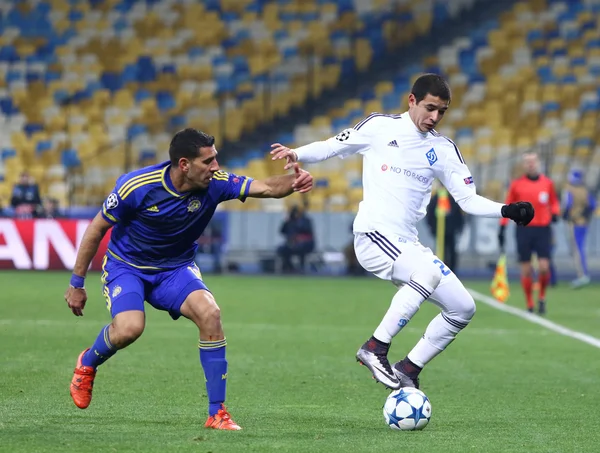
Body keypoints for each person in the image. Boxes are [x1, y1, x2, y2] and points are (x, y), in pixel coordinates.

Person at [270, 73, 534, 390]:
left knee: (463, 308)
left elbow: (466, 200)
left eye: (442, 112)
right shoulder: (380, 127)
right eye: (430, 107)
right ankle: (375, 347)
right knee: (428, 274)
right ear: (412, 100)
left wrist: (506, 210)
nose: (434, 117)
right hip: (373, 234)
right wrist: (296, 153)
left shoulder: (443, 150)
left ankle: (408, 368)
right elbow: (332, 146)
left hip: (406, 242)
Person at [64, 128, 313, 430]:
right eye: (208, 161)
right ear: (184, 164)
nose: (216, 167)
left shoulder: (216, 184)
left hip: (175, 269)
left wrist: (294, 182)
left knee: (211, 314)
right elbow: (96, 229)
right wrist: (77, 283)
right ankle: (88, 363)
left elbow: (266, 187)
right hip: (127, 267)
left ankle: (216, 413)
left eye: (215, 159)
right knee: (129, 329)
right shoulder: (137, 186)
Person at [498, 152, 559, 314]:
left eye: (533, 161)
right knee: (526, 269)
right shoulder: (517, 185)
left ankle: (542, 297)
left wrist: (555, 212)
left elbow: (554, 202)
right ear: (524, 165)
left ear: (538, 163)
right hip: (523, 229)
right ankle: (530, 303)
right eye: (527, 162)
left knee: (544, 267)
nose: (531, 164)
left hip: (542, 229)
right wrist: (502, 226)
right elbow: (508, 205)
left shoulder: (548, 183)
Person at [562, 169, 596, 288]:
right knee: (580, 248)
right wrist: (585, 215)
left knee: (577, 249)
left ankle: (582, 274)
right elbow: (592, 205)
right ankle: (583, 274)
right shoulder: (585, 190)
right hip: (583, 222)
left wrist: (567, 216)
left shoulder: (570, 190)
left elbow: (568, 206)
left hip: (574, 222)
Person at [426, 186, 465, 273]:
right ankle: (442, 272)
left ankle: (451, 272)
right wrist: (433, 228)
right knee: (441, 252)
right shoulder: (436, 199)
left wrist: (458, 227)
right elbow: (430, 216)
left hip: (450, 231)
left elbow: (458, 215)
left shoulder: (450, 199)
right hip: (440, 231)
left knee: (451, 252)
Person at [276, 204, 315, 273]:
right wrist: (286, 222)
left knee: (301, 249)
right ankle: (290, 268)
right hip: (291, 244)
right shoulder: (289, 222)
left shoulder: (305, 221)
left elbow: (308, 232)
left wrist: (299, 237)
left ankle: (301, 268)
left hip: (305, 244)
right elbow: (282, 231)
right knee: (282, 250)